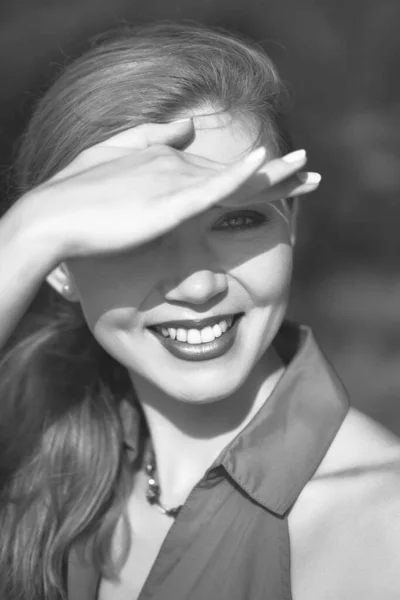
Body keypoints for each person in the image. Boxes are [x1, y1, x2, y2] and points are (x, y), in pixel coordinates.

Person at [0, 21, 399, 600]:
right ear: (58, 265)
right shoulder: (26, 459)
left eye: (237, 219)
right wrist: (26, 233)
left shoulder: (382, 523)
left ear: (293, 223)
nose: (198, 285)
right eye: (139, 232)